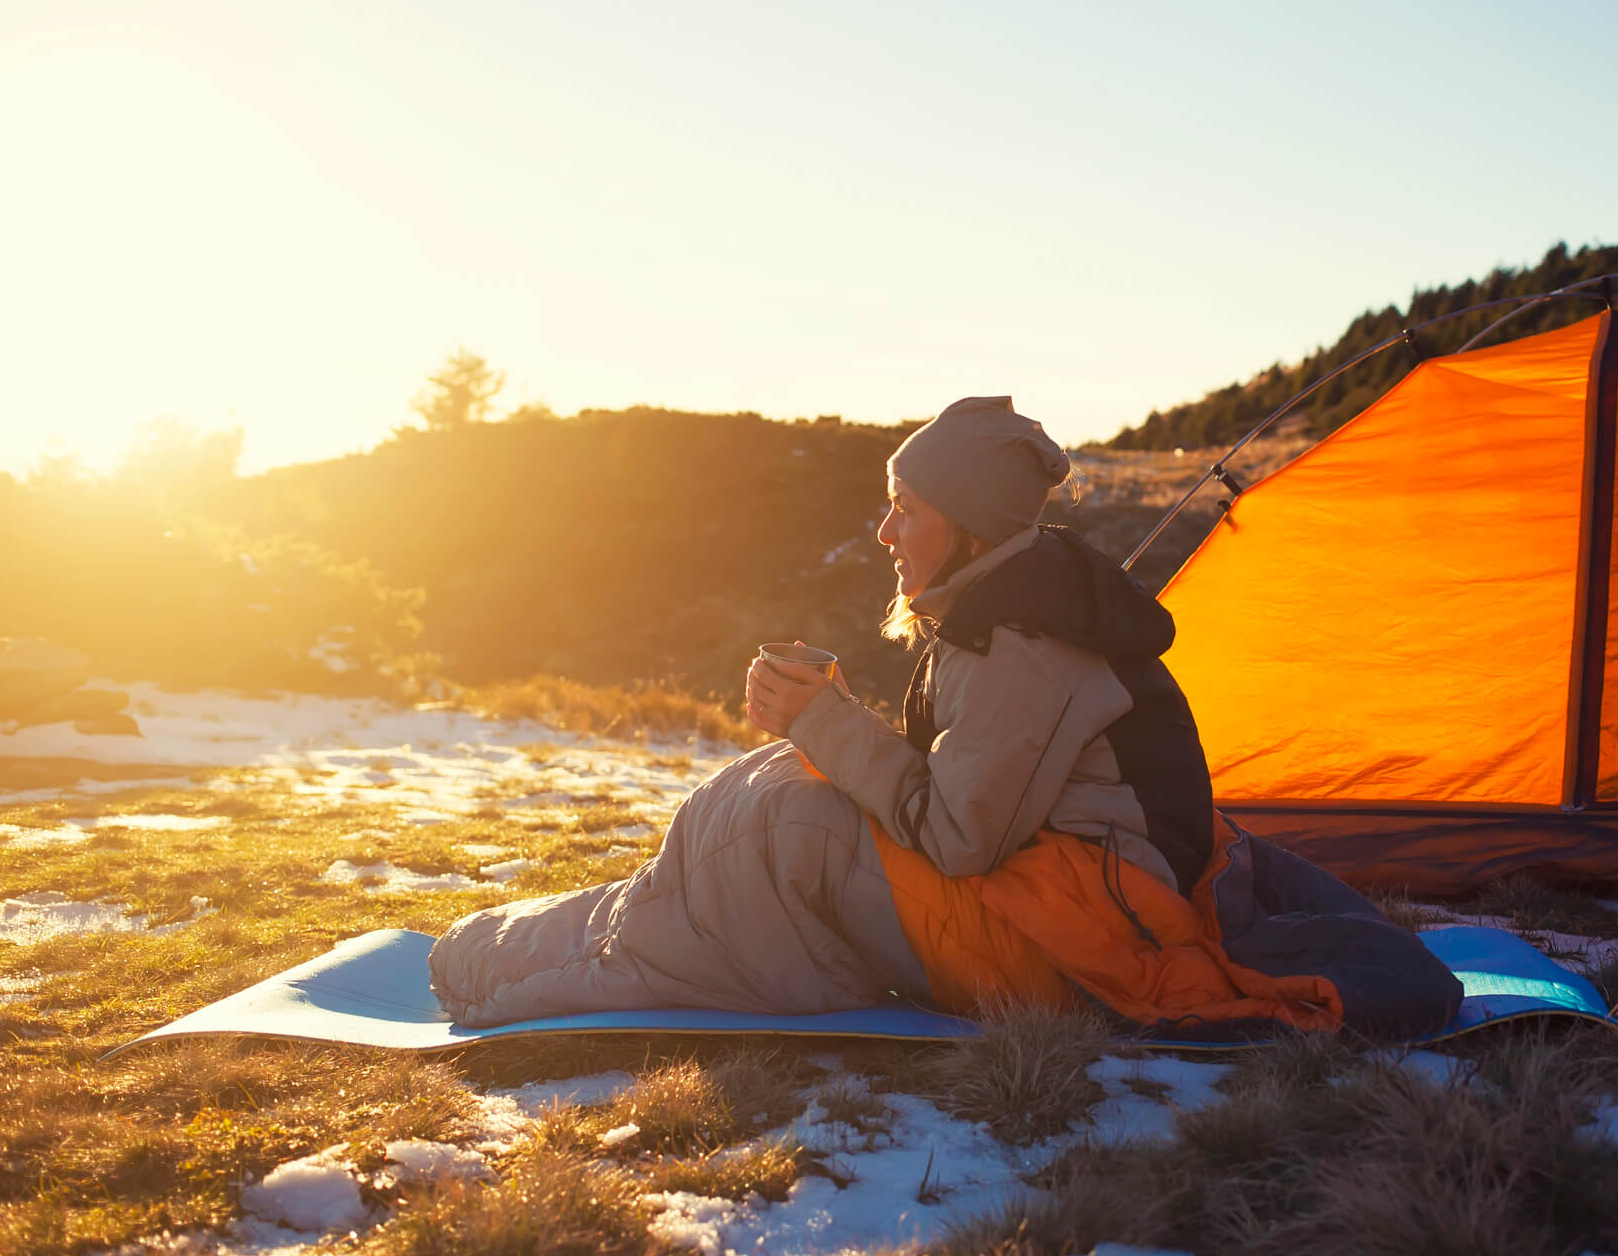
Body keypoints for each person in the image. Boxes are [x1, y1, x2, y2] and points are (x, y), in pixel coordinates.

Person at [430, 398, 1460, 1040]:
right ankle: (517, 944)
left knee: (776, 831)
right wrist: (833, 725)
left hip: (1070, 938)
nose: (884, 529)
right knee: (765, 814)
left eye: (906, 509)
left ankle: (511, 971)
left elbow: (964, 838)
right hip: (1059, 888)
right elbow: (973, 783)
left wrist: (828, 723)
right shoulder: (1004, 608)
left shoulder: (1023, 645)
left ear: (965, 526)